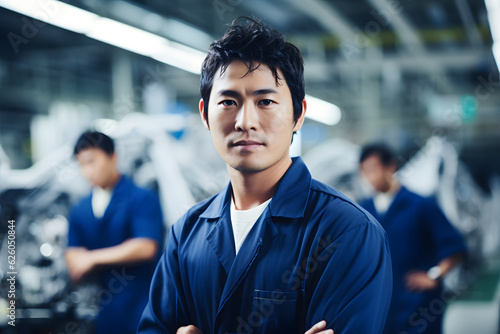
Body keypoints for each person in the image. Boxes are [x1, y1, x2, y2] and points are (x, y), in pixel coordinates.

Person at [138, 18, 392, 334]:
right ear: (205, 114)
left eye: (266, 101)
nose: (245, 121)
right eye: (229, 102)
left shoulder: (348, 233)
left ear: (299, 114)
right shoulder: (186, 235)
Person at [358, 143, 467, 334]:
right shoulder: (362, 210)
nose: (369, 178)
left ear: (390, 167)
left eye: (373, 170)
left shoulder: (420, 205)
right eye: (364, 172)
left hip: (418, 305)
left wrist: (434, 275)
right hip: (381, 308)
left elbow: (455, 247)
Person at [66, 130, 164, 334]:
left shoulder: (141, 198)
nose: (87, 171)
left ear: (113, 157)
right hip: (107, 314)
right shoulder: (80, 209)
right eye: (81, 164)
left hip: (143, 306)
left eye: (92, 162)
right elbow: (73, 260)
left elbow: (146, 247)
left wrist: (92, 258)